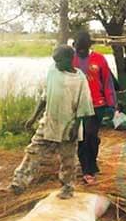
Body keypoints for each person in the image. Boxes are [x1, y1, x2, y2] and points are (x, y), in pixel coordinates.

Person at [10, 45, 95, 199]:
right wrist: (34, 116)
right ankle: (19, 182)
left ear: (70, 60)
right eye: (54, 60)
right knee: (33, 151)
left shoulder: (80, 79)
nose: (56, 63)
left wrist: (75, 127)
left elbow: (84, 105)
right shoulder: (53, 71)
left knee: (68, 159)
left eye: (59, 61)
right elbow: (45, 96)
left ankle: (67, 188)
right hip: (49, 121)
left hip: (69, 124)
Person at [72, 31, 116, 185]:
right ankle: (87, 169)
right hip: (78, 106)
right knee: (82, 137)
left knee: (92, 136)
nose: (81, 52)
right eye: (79, 49)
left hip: (97, 105)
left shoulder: (99, 59)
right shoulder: (72, 59)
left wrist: (111, 105)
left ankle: (91, 163)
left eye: (84, 49)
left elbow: (107, 82)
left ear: (89, 46)